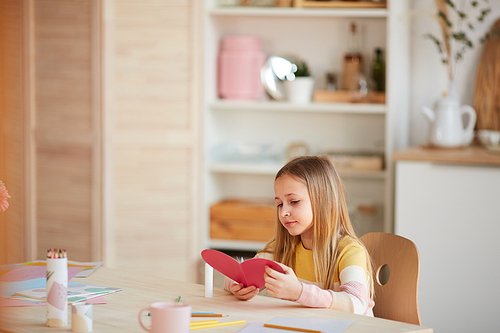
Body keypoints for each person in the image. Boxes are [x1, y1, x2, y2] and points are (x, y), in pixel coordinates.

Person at [224, 155, 375, 316]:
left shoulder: (349, 250)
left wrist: (299, 292)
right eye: (280, 204)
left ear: (323, 201)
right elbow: (241, 275)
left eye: (294, 201)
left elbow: (357, 304)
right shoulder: (280, 248)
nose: (283, 212)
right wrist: (236, 285)